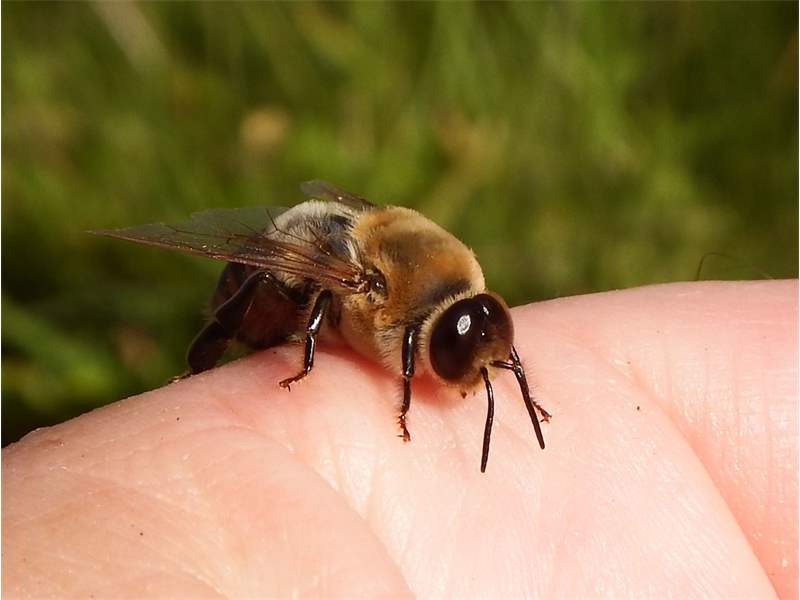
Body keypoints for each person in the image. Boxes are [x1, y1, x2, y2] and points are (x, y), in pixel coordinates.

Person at [3, 281, 796, 598]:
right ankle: (216, 359)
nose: (476, 377)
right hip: (300, 269)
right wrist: (311, 367)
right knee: (281, 289)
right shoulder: (373, 298)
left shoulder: (455, 295)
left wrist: (523, 392)